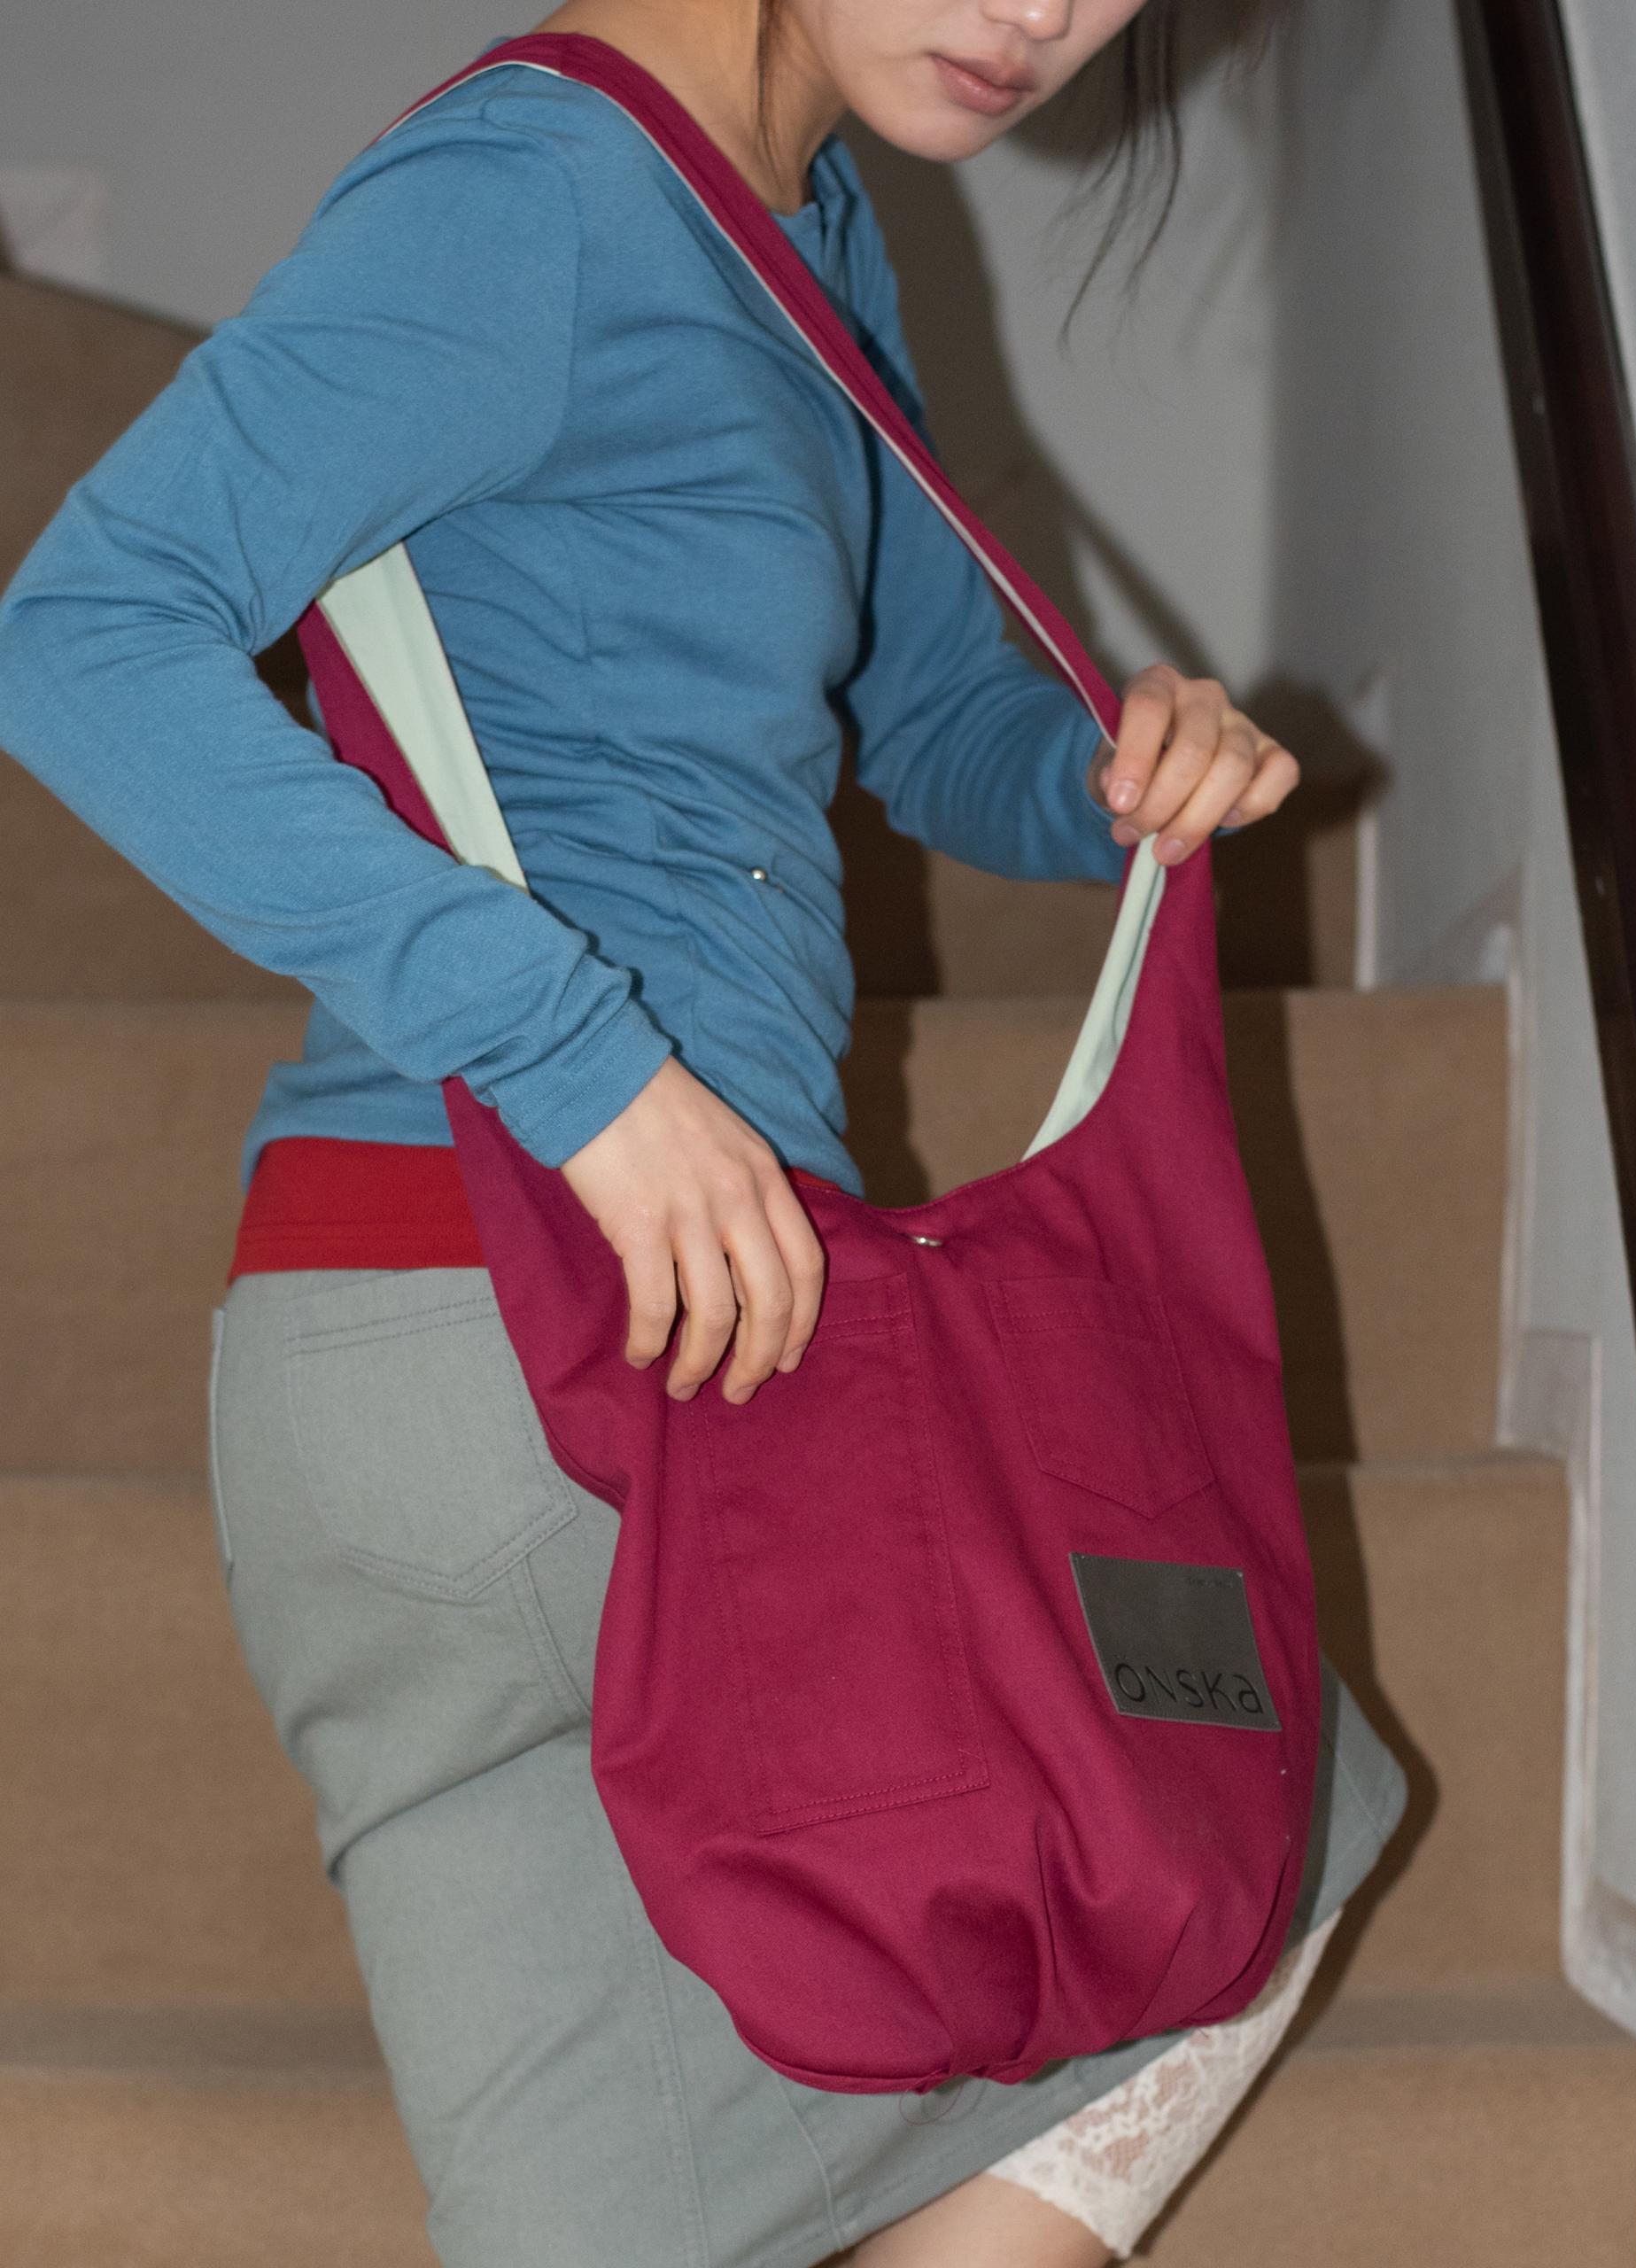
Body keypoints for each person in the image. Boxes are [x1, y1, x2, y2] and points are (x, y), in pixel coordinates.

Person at [0, 4, 1408, 2262]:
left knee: (1201, 1831)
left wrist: (1119, 771)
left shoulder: (800, 226)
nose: (1046, 12)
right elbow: (81, 633)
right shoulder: (536, 193)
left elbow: (924, 717)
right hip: (545, 1336)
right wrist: (577, 1065)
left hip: (562, 1352)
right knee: (1223, 1812)